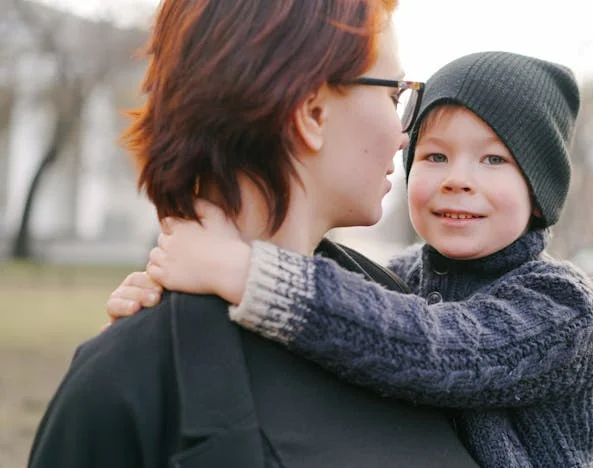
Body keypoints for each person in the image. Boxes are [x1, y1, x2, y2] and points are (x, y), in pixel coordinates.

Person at [27, 1, 482, 467]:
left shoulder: (407, 319)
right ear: (312, 113)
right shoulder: (127, 381)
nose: (404, 134)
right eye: (393, 96)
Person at [109, 51, 593, 467]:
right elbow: (345, 333)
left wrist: (247, 274)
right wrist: (170, 302)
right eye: (435, 156)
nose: (458, 178)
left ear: (540, 194)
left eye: (494, 159)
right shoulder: (402, 276)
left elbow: (435, 349)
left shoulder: (559, 303)